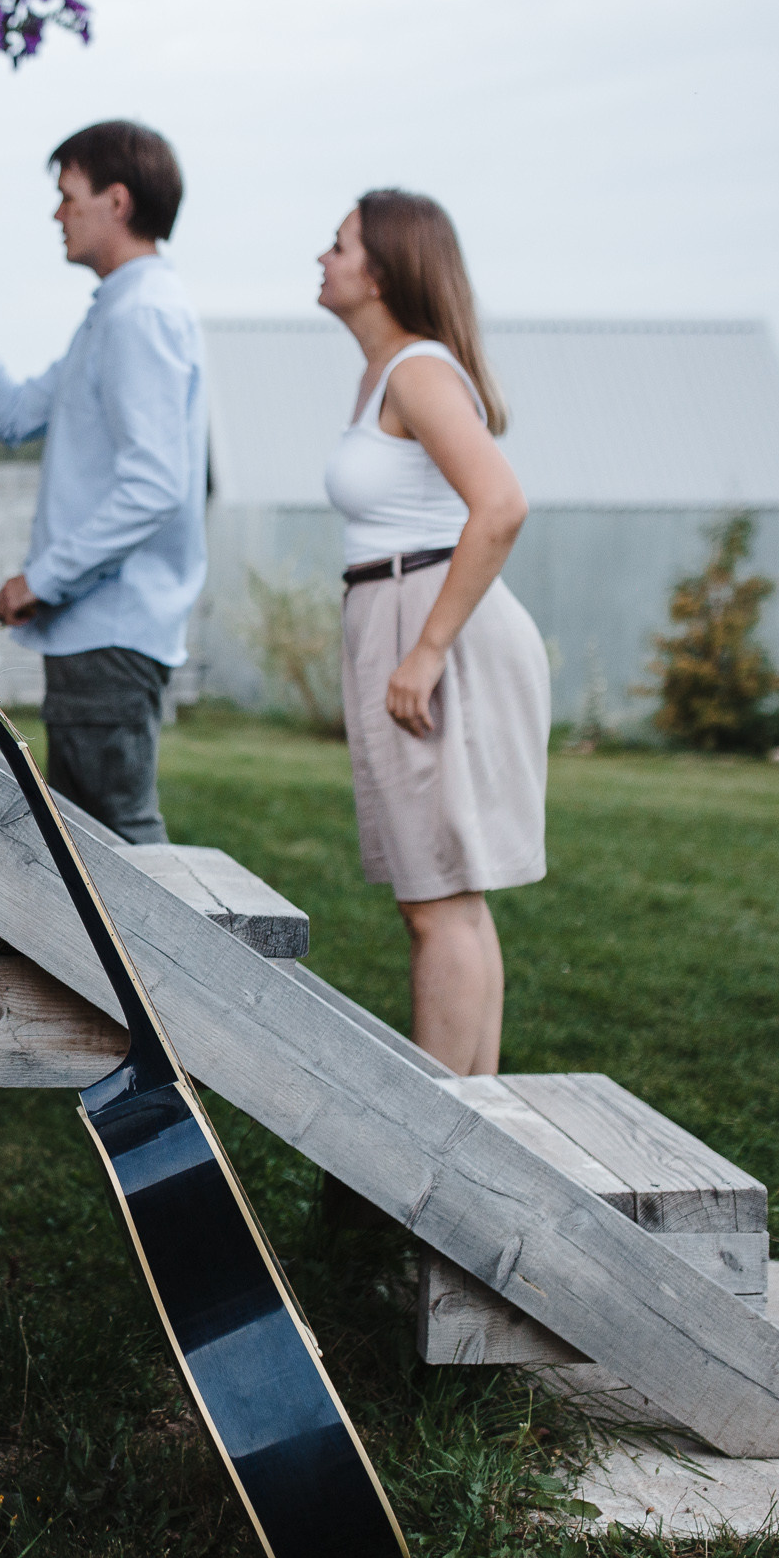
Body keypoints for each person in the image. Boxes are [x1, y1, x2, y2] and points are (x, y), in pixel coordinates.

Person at [0, 121, 207, 844]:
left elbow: (156, 486)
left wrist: (43, 579)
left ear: (117, 201)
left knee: (116, 846)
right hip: (98, 630)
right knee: (92, 843)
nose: (57, 213)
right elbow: (16, 414)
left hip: (111, 628)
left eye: (68, 196)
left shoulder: (141, 314)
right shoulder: (116, 312)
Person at [317, 189, 546, 1077]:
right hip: (397, 607)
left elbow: (501, 505)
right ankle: (477, 1117)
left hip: (427, 618)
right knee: (449, 895)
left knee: (437, 901)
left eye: (339, 245)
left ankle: (443, 1139)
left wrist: (427, 650)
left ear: (381, 271)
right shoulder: (389, 373)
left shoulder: (417, 372)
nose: (322, 258)